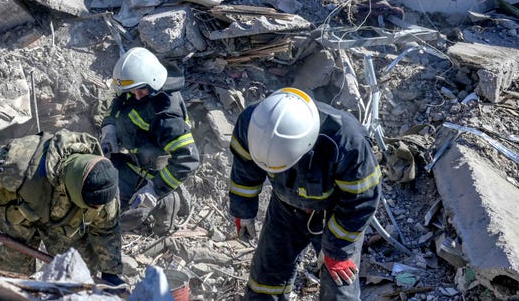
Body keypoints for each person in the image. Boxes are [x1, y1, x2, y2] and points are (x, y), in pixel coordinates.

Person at [229, 88, 381, 300]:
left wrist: (338, 250)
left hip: (336, 215)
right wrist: (242, 208)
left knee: (339, 289)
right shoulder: (255, 122)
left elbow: (362, 200)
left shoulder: (347, 142)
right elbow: (245, 168)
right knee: (265, 282)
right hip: (285, 209)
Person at [0, 130, 125, 284]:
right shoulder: (18, 164)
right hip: (21, 219)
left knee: (79, 274)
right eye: (93, 205)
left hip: (63, 227)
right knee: (14, 278)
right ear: (76, 191)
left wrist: (110, 270)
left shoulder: (104, 190)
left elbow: (106, 231)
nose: (98, 208)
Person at [100, 47, 200, 230]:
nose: (136, 96)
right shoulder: (139, 85)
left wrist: (154, 190)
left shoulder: (167, 117)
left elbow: (188, 160)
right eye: (133, 91)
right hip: (133, 157)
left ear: (154, 81)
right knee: (100, 185)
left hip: (153, 170)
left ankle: (166, 201)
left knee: (121, 218)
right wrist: (110, 127)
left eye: (141, 91)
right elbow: (119, 100)